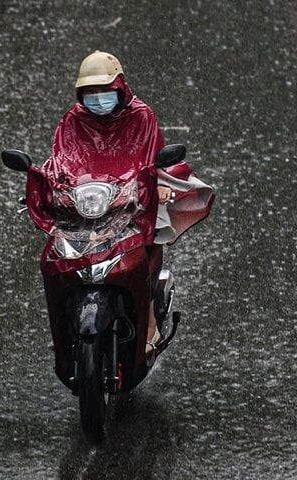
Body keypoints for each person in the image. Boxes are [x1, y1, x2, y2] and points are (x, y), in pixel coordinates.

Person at [41, 50, 214, 357]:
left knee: (153, 232)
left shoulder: (141, 117)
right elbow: (62, 160)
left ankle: (148, 317)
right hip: (89, 202)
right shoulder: (72, 121)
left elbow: (151, 160)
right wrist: (55, 188)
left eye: (104, 92)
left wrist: (151, 186)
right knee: (56, 250)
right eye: (90, 94)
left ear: (119, 88)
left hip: (131, 199)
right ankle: (62, 321)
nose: (97, 99)